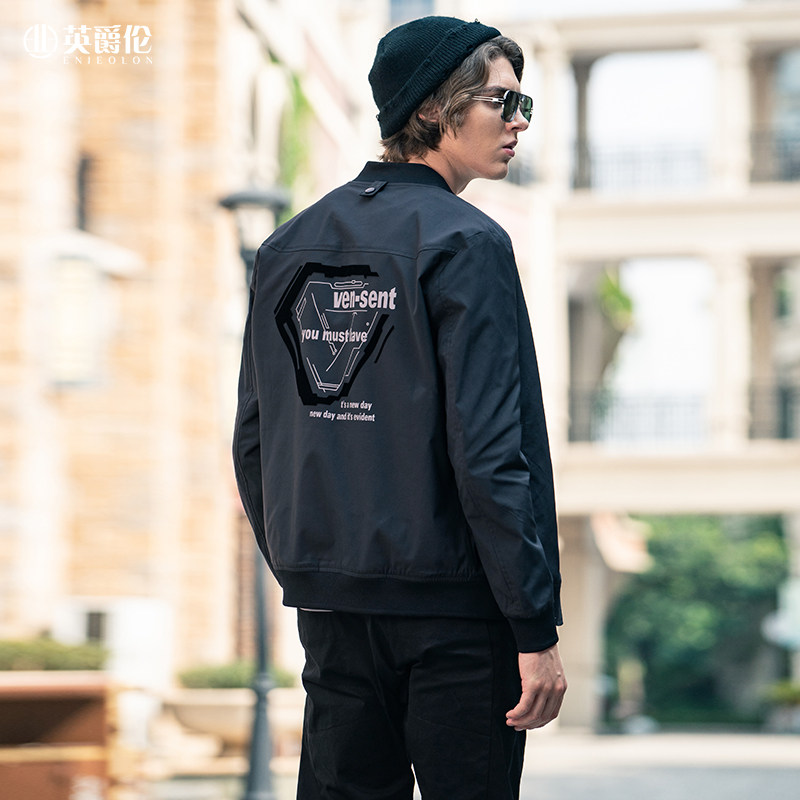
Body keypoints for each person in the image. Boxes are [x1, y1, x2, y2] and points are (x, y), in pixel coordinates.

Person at [233, 14, 566, 800]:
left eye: (523, 104)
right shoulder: (468, 242)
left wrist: (311, 570)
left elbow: (254, 439)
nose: (518, 122)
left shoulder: (287, 245)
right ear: (431, 109)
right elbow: (490, 451)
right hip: (458, 617)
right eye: (501, 101)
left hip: (332, 608)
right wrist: (532, 624)